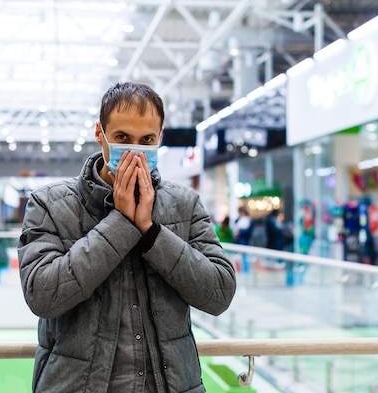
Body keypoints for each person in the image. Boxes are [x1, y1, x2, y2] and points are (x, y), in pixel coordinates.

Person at [17, 82, 237, 393]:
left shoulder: (185, 205)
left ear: (159, 138)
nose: (135, 151)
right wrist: (121, 222)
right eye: (122, 138)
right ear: (100, 134)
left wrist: (152, 232)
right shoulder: (49, 204)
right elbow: (43, 295)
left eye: (147, 140)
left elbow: (219, 293)